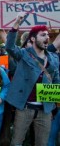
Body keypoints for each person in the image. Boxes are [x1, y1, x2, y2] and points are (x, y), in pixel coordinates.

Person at [5, 12, 60, 146]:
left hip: (45, 111)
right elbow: (9, 47)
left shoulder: (53, 58)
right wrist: (16, 23)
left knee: (42, 143)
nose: (47, 37)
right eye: (43, 35)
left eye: (47, 35)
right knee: (17, 142)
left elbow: (56, 81)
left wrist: (53, 105)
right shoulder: (24, 54)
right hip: (25, 109)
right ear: (33, 39)